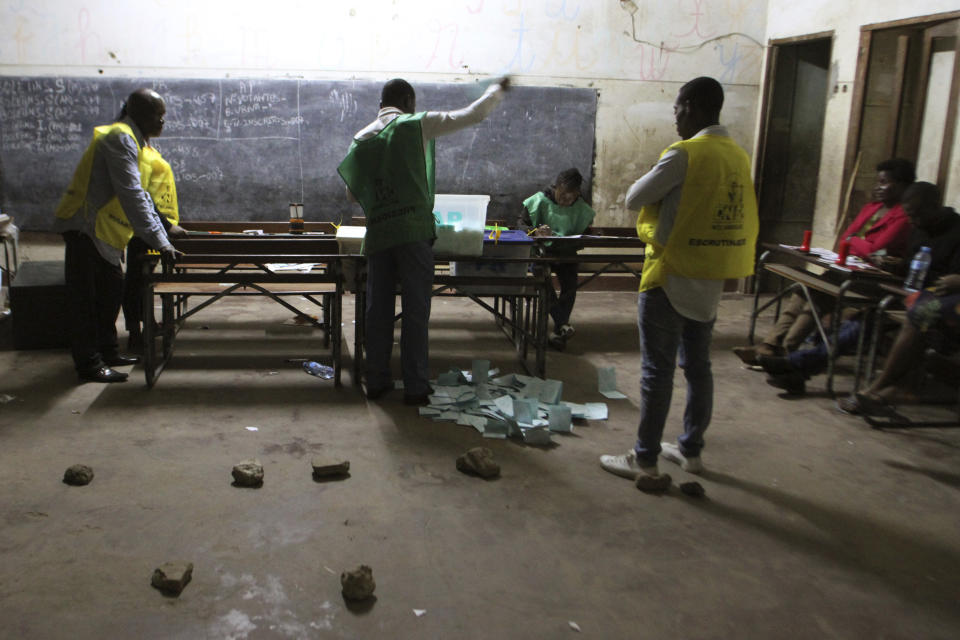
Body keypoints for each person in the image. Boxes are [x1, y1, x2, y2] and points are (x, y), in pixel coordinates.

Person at [599, 77, 759, 486]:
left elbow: (634, 198)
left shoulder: (685, 154)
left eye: (676, 109)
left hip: (669, 277)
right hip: (710, 277)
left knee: (657, 370)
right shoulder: (737, 156)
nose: (674, 118)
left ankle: (645, 458)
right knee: (698, 367)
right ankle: (690, 450)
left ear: (691, 106)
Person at [338, 77, 509, 406]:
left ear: (381, 103)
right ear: (408, 100)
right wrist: (497, 90)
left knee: (378, 311)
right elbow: (472, 115)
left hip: (379, 234)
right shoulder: (417, 124)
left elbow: (350, 194)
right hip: (413, 232)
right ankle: (415, 386)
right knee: (416, 311)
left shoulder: (360, 139)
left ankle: (377, 381)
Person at [761, 182, 960, 395]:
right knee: (859, 317)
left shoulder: (956, 232)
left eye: (917, 215)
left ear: (935, 206)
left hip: (934, 299)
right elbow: (907, 263)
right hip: (906, 290)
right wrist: (892, 263)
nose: (912, 221)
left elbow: (951, 279)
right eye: (909, 215)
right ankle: (797, 367)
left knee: (867, 318)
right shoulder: (919, 229)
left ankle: (797, 366)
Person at [732, 158, 915, 365]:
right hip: (847, 269)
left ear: (902, 185)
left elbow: (872, 247)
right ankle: (770, 345)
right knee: (805, 289)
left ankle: (783, 349)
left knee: (819, 297)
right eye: (877, 182)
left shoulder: (903, 216)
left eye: (884, 182)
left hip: (874, 281)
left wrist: (855, 242)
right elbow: (846, 238)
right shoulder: (872, 208)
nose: (878, 187)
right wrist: (858, 243)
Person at [54, 88, 181, 383]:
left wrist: (164, 229)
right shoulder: (120, 138)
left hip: (107, 231)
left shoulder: (135, 142)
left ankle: (109, 351)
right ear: (137, 113)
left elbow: (143, 195)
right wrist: (160, 241)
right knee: (86, 300)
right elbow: (131, 195)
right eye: (157, 114)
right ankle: (89, 364)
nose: (162, 120)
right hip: (85, 227)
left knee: (111, 293)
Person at [518, 167, 596, 350]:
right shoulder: (538, 202)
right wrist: (535, 231)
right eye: (562, 195)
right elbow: (520, 225)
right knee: (543, 281)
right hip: (540, 254)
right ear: (556, 188)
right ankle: (562, 325)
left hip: (566, 254)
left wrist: (576, 240)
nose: (565, 201)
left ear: (577, 194)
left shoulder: (581, 208)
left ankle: (560, 328)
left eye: (571, 197)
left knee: (570, 285)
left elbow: (584, 233)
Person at [123, 143, 187, 353]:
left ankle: (145, 326)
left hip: (157, 228)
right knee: (137, 280)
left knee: (140, 280)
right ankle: (136, 333)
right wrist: (166, 225)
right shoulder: (137, 154)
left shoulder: (146, 152)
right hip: (147, 229)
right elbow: (140, 197)